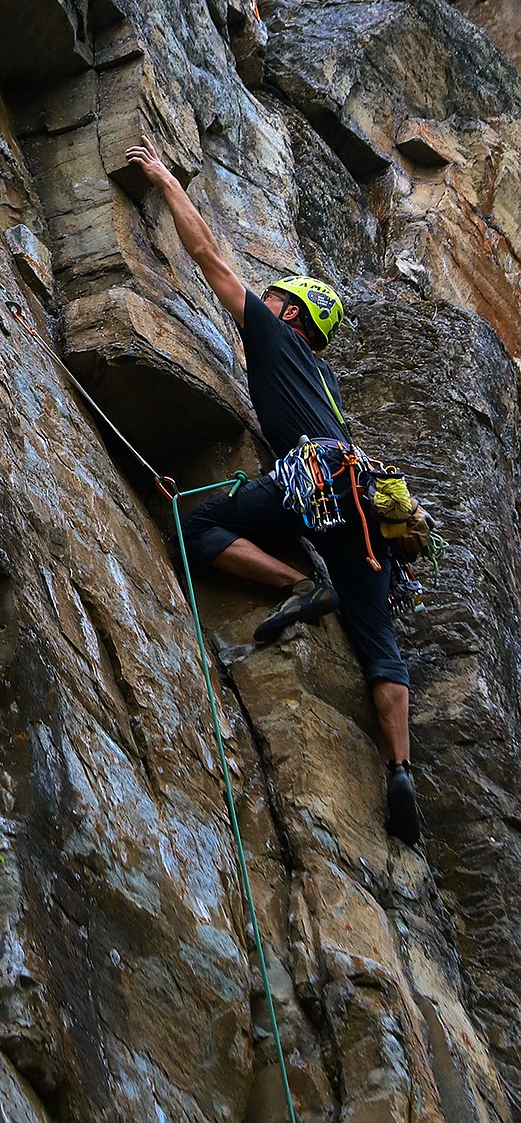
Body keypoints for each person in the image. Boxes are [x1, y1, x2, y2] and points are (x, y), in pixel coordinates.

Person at [124, 135, 420, 846]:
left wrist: (166, 179)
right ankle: (401, 770)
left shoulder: (274, 337)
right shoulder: (327, 383)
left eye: (277, 298)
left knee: (193, 531)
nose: (268, 301)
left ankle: (295, 583)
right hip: (364, 506)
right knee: (380, 644)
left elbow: (209, 261)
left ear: (289, 315)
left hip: (315, 479)